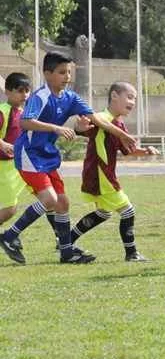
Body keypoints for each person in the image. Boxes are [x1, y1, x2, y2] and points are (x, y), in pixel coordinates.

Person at [0, 51, 136, 265]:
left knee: (63, 203)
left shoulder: (71, 98)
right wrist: (55, 128)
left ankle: (66, 252)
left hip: (46, 156)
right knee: (50, 200)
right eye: (62, 72)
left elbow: (96, 118)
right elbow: (26, 122)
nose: (67, 76)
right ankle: (9, 236)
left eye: (69, 72)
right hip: (28, 153)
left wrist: (122, 134)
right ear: (47, 74)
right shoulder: (40, 96)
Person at [70, 82, 159, 262]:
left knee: (104, 212)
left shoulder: (119, 124)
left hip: (100, 175)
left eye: (135, 99)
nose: (133, 102)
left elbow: (129, 150)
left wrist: (146, 151)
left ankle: (66, 241)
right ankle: (132, 254)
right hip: (100, 174)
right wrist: (79, 127)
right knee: (128, 211)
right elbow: (82, 129)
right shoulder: (101, 118)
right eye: (130, 97)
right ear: (114, 96)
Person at [0, 72, 60, 257]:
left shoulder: (26, 114)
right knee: (9, 210)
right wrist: (3, 144)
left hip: (24, 165)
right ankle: (7, 238)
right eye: (20, 91)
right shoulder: (3, 111)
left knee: (49, 200)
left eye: (27, 91)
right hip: (5, 168)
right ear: (7, 92)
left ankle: (61, 239)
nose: (25, 95)